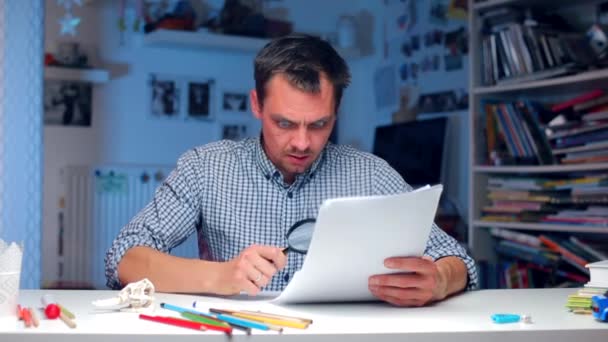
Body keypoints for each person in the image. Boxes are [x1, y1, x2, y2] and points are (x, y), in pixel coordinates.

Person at [105, 34, 478, 307]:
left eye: (319, 124)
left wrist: (441, 279)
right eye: (284, 123)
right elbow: (124, 257)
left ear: (337, 112)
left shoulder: (373, 175)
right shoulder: (205, 167)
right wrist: (220, 276)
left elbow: (456, 257)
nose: (302, 143)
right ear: (256, 104)